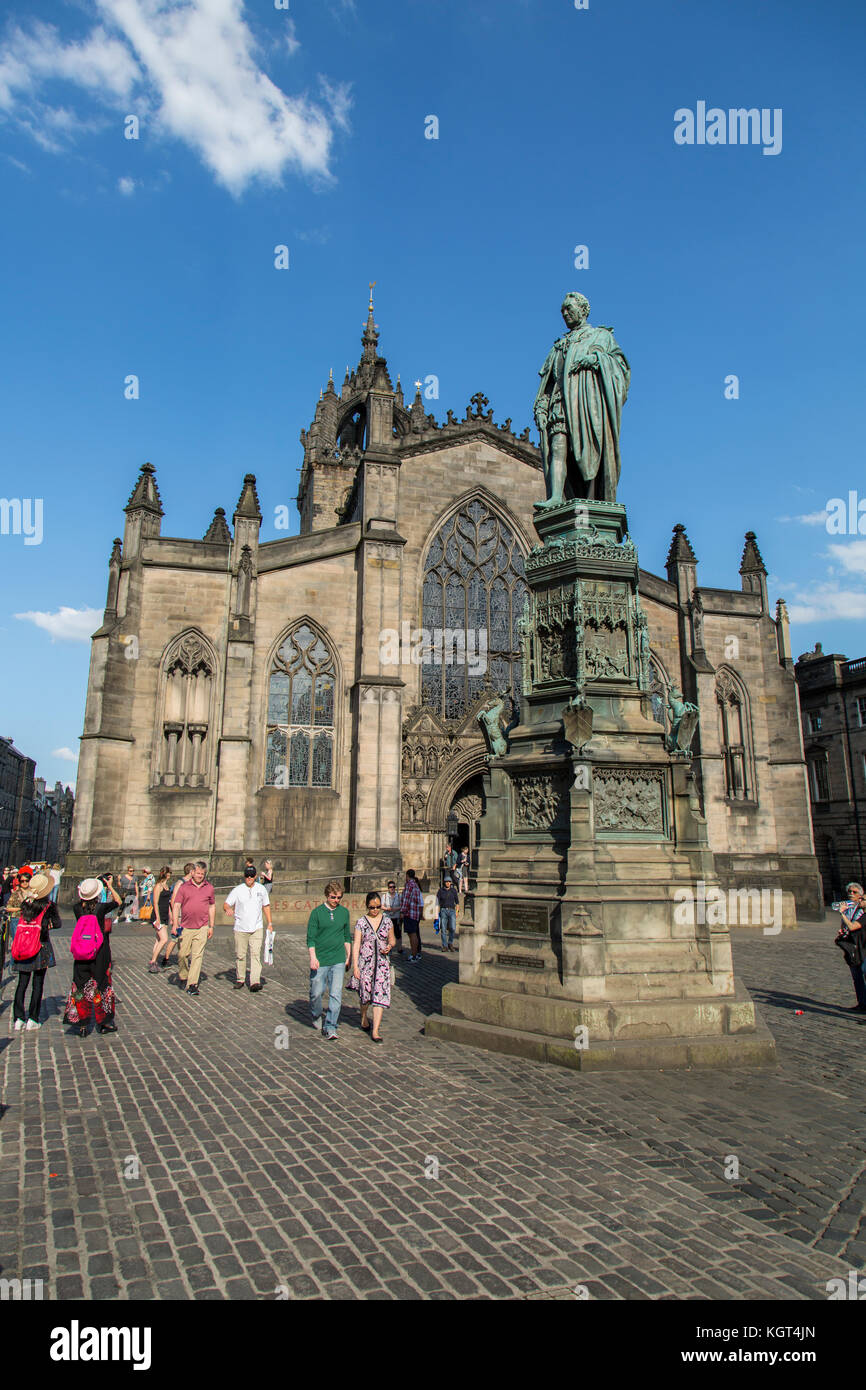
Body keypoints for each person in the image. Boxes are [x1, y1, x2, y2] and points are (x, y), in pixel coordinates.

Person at [64, 874, 123, 1037]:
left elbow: (81, 899)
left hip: (82, 951)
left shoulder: (76, 908)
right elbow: (118, 901)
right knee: (102, 985)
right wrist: (109, 886)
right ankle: (103, 1023)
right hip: (100, 950)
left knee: (80, 986)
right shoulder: (100, 908)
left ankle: (82, 1024)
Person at [11, 872, 60, 1032]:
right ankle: (33, 1018)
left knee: (22, 983)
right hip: (40, 947)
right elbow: (57, 923)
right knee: (37, 984)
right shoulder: (48, 905)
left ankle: (18, 1018)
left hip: (23, 945)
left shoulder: (26, 903)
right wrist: (47, 925)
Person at [306, 881, 352, 1039]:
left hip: (338, 958)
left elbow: (347, 937)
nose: (336, 900)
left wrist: (349, 956)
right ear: (327, 895)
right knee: (316, 993)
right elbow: (310, 939)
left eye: (339, 897)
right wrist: (313, 957)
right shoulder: (317, 913)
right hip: (320, 959)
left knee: (336, 994)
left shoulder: (344, 912)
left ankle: (331, 1026)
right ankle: (316, 1014)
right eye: (333, 897)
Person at [352, 891, 395, 1043]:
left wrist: (389, 946)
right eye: (372, 907)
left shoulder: (387, 921)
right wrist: (355, 966)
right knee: (366, 995)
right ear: (367, 906)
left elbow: (393, 940)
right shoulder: (361, 922)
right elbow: (356, 944)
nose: (375, 910)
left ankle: (375, 1030)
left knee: (379, 996)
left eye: (378, 907)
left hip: (382, 965)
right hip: (366, 964)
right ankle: (363, 1016)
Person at [224, 865, 272, 992]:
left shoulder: (261, 889)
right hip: (240, 928)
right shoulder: (238, 890)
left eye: (251, 876)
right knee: (240, 955)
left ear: (255, 876)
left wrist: (270, 923)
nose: (249, 878)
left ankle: (254, 981)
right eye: (247, 876)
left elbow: (266, 906)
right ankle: (240, 979)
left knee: (255, 954)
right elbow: (226, 903)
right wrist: (228, 909)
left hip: (257, 927)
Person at [173, 861, 215, 997]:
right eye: (198, 873)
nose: (200, 876)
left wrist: (211, 925)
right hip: (186, 926)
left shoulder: (209, 887)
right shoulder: (184, 887)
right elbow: (177, 905)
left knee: (197, 956)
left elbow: (212, 906)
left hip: (202, 926)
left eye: (202, 874)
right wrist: (175, 923)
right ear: (193, 873)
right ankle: (183, 975)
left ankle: (192, 984)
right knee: (182, 954)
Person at [834, 883, 866, 1012]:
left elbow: (854, 926)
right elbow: (848, 926)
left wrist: (842, 914)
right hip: (852, 945)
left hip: (862, 946)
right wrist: (844, 932)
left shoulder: (862, 912)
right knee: (856, 976)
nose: (851, 894)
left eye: (854, 892)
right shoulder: (849, 908)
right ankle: (862, 1003)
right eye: (849, 891)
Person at [163, 862, 193, 968]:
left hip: (187, 915)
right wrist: (174, 918)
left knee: (185, 938)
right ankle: (166, 959)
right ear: (191, 872)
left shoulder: (191, 883)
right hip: (180, 915)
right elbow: (173, 901)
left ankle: (183, 957)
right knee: (175, 938)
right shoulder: (181, 883)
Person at [147, 866, 173, 973]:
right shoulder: (158, 886)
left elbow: (168, 903)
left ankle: (155, 960)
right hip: (158, 915)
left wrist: (171, 916)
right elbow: (155, 903)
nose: (170, 875)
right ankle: (153, 961)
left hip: (165, 914)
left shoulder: (166, 886)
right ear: (166, 874)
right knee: (164, 939)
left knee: (158, 939)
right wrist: (157, 918)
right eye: (169, 873)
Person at [401, 868, 423, 962]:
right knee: (414, 934)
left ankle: (413, 955)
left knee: (412, 934)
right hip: (415, 913)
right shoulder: (416, 885)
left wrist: (402, 911)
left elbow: (406, 900)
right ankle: (416, 954)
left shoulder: (409, 885)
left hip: (410, 913)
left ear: (407, 875)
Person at [436, 875, 460, 952]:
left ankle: (450, 943)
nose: (448, 883)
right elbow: (437, 903)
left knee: (452, 928)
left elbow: (457, 902)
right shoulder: (440, 891)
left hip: (452, 910)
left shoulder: (453, 891)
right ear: (444, 883)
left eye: (449, 882)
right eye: (446, 882)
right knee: (443, 929)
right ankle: (445, 945)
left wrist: (457, 911)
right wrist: (436, 914)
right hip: (443, 910)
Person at [382, 880, 403, 956]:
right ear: (388, 888)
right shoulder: (384, 896)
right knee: (387, 934)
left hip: (396, 916)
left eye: (393, 887)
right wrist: (388, 909)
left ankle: (399, 949)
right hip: (387, 917)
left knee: (398, 933)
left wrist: (396, 909)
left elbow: (402, 906)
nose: (392, 888)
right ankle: (388, 949)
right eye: (390, 887)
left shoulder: (399, 896)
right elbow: (381, 906)